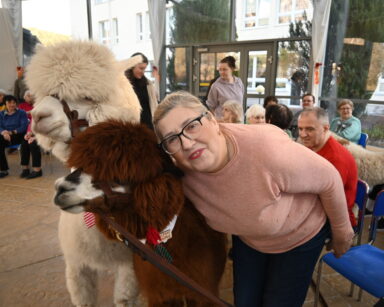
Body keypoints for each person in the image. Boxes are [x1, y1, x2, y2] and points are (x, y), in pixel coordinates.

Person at [153, 91, 354, 307]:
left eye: (192, 125)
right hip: (250, 237)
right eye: (172, 139)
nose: (187, 143)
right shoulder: (181, 174)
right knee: (246, 301)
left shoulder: (266, 150)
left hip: (298, 235)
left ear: (212, 119)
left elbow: (329, 178)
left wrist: (342, 231)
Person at [298, 107, 358, 228]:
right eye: (300, 129)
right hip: (316, 206)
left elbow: (333, 203)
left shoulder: (336, 158)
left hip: (335, 219)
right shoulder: (312, 145)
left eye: (309, 129)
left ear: (325, 129)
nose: (303, 135)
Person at [125, 52, 158, 129]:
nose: (143, 72)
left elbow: (154, 105)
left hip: (148, 127)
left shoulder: (148, 84)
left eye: (145, 69)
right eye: (141, 68)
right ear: (132, 66)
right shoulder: (123, 84)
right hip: (131, 127)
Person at [0, 95, 28, 178]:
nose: (12, 104)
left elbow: (23, 127)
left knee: (24, 144)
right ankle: (3, 170)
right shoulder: (1, 114)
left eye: (14, 102)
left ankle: (24, 169)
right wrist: (3, 132)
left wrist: (10, 132)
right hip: (5, 136)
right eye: (9, 102)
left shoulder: (21, 113)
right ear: (5, 103)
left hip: (18, 135)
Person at [19, 92, 43, 179]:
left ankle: (37, 170)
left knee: (33, 144)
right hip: (34, 134)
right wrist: (29, 134)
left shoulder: (44, 113)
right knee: (24, 143)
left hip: (44, 135)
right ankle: (25, 169)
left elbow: (45, 130)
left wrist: (35, 137)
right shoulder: (34, 114)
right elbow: (31, 126)